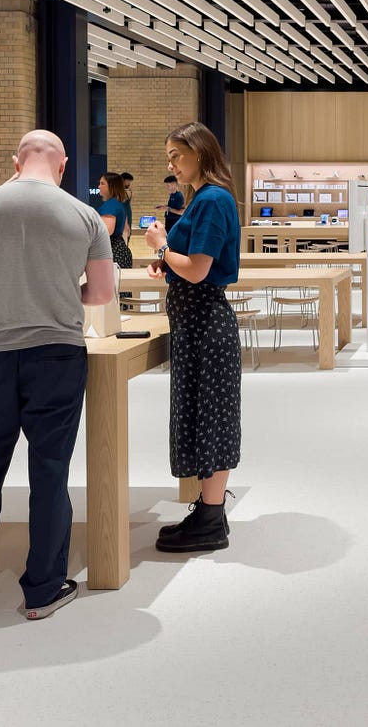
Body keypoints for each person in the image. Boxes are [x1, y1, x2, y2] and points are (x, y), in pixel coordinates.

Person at [0, 130, 115, 623]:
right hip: (58, 353)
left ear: (17, 161)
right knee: (50, 470)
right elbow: (100, 294)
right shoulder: (87, 217)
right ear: (62, 165)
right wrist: (55, 297)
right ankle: (44, 588)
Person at [143, 122, 241, 554]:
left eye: (177, 155)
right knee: (201, 417)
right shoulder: (199, 199)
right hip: (194, 324)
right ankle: (207, 512)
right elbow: (190, 263)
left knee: (212, 420)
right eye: (169, 156)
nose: (171, 163)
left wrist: (162, 248)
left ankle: (211, 520)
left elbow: (199, 269)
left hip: (206, 325)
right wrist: (167, 261)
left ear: (200, 153)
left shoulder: (213, 199)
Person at [97, 172, 133, 269]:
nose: (99, 186)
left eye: (102, 183)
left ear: (111, 186)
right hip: (118, 251)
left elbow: (107, 230)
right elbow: (126, 229)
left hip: (113, 253)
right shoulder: (116, 203)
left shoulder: (111, 205)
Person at [119, 172, 134, 241]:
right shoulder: (118, 192)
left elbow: (129, 204)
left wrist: (132, 194)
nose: (129, 184)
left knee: (127, 239)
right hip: (123, 220)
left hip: (128, 217)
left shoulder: (126, 191)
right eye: (128, 181)